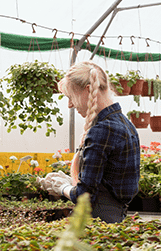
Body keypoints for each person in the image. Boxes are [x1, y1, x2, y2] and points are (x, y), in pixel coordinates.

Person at [39, 61, 140, 223]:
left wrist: (62, 187)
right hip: (116, 216)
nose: (70, 105)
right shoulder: (124, 123)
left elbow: (84, 196)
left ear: (87, 91)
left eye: (71, 97)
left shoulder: (103, 129)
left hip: (98, 220)